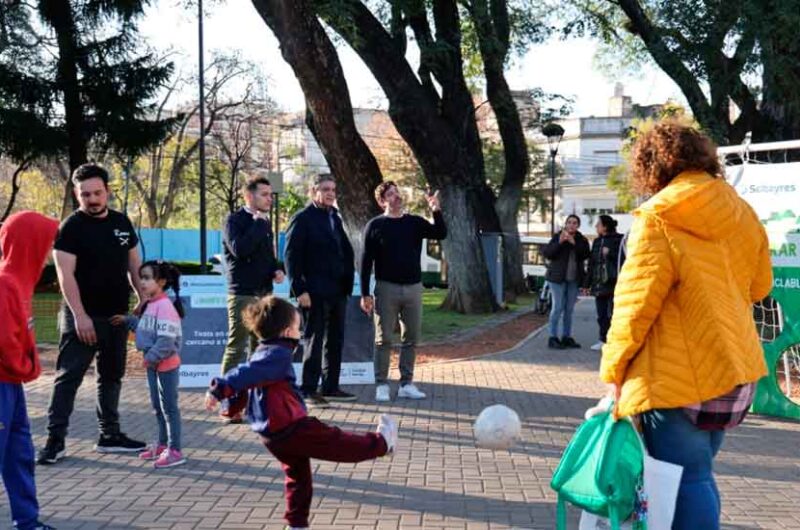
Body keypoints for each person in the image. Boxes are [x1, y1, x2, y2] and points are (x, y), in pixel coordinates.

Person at [600, 120, 772, 530]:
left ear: (650, 166)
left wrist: (613, 371)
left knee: (684, 481)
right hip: (734, 370)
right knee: (698, 474)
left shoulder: (659, 217)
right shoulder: (741, 211)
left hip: (676, 378)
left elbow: (634, 306)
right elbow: (761, 284)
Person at [204, 295, 397, 530]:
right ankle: (381, 444)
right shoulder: (275, 355)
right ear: (287, 332)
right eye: (297, 327)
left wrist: (232, 406)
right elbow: (244, 374)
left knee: (298, 478)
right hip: (290, 428)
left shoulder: (264, 351)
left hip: (273, 435)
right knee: (336, 442)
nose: (300, 331)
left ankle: (297, 524)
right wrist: (219, 389)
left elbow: (247, 381)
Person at [38, 163, 146, 465]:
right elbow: (65, 275)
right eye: (85, 194)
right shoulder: (70, 228)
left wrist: (142, 296)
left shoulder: (123, 223)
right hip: (83, 317)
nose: (92, 199)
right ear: (77, 194)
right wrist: (80, 316)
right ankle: (54, 441)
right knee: (68, 379)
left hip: (116, 316)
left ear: (107, 191)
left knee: (111, 377)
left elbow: (134, 264)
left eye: (97, 193)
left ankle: (109, 435)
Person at [360, 182, 447, 402]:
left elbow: (440, 233)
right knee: (384, 339)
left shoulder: (414, 222)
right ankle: (381, 384)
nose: (396, 197)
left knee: (412, 338)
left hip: (414, 288)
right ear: (382, 201)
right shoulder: (375, 226)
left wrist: (435, 209)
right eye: (390, 194)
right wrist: (365, 293)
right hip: (386, 288)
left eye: (397, 192)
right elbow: (365, 262)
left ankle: (406, 383)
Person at [0, 211, 59, 530]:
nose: (48, 251)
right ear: (28, 244)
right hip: (2, 384)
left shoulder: (20, 283)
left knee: (18, 452)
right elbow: (4, 339)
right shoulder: (5, 283)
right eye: (45, 243)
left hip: (11, 386)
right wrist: (25, 366)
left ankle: (27, 520)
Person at [284, 174, 356, 407]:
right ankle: (308, 389)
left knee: (335, 340)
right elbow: (291, 257)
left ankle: (331, 386)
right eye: (325, 189)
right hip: (312, 292)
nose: (330, 193)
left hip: (337, 290)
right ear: (313, 191)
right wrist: (299, 290)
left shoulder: (334, 216)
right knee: (313, 341)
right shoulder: (303, 219)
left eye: (333, 189)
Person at [219, 176, 285, 423]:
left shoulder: (264, 223)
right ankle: (228, 402)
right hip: (242, 293)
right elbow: (239, 249)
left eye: (270, 194)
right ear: (249, 196)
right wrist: (258, 224)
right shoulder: (234, 220)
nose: (270, 198)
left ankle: (255, 403)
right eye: (264, 195)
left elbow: (266, 256)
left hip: (264, 293)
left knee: (259, 350)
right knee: (237, 347)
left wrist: (276, 269)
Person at [111, 261, 185, 468]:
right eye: (140, 277)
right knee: (158, 408)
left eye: (147, 278)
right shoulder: (150, 305)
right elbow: (146, 330)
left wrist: (149, 357)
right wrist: (128, 320)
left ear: (160, 282)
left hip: (166, 365)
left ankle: (175, 450)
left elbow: (166, 341)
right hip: (154, 365)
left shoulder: (165, 306)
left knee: (170, 409)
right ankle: (162, 445)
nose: (141, 282)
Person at [542, 214, 590, 349]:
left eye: (574, 223)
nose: (571, 225)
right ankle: (552, 337)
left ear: (578, 226)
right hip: (557, 279)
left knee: (569, 310)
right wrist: (560, 243)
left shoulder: (581, 240)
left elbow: (585, 254)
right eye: (569, 222)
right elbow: (547, 253)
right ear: (566, 224)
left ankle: (566, 336)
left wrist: (574, 243)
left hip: (573, 279)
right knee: (557, 308)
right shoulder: (558, 237)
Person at [583, 215, 624, 351]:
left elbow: (624, 259)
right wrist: (586, 284)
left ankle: (615, 341)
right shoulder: (596, 242)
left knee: (613, 313)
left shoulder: (619, 240)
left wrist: (610, 253)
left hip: (613, 282)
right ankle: (603, 339)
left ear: (605, 227)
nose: (596, 227)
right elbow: (592, 264)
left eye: (598, 224)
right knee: (601, 314)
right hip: (599, 282)